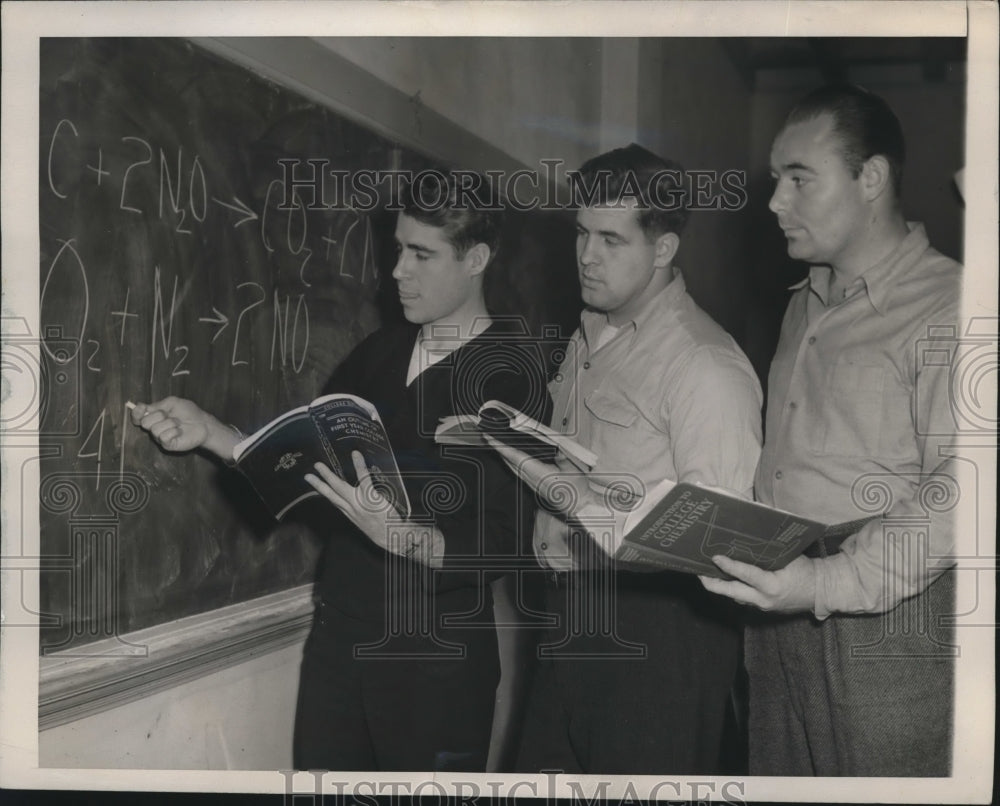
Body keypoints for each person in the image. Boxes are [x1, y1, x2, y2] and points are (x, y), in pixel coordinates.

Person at [131, 172, 548, 772]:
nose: (397, 270)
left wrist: (402, 536)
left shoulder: (514, 375)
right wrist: (214, 433)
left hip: (434, 667)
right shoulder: (379, 353)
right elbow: (306, 465)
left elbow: (511, 542)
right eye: (398, 248)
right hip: (340, 640)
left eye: (421, 254)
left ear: (477, 259)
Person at [699, 84, 962, 776]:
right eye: (774, 180)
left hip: (884, 621)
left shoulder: (952, 305)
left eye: (798, 179)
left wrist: (825, 583)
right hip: (781, 603)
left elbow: (962, 494)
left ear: (870, 178)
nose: (774, 202)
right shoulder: (803, 303)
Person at [489, 144, 763, 774]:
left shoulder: (704, 366)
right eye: (582, 233)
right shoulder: (591, 337)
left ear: (663, 249)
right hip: (570, 617)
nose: (586, 255)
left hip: (659, 636)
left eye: (611, 239)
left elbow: (720, 545)